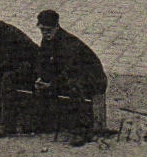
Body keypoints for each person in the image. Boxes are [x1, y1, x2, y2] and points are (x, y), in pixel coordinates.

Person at [34, 9, 107, 146]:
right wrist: (41, 77)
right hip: (73, 74)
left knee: (73, 86)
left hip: (93, 78)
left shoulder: (68, 43)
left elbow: (70, 70)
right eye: (42, 29)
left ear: (57, 27)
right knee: (47, 83)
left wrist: (52, 84)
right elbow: (43, 62)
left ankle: (82, 131)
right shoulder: (47, 40)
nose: (45, 33)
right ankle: (47, 122)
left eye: (48, 29)